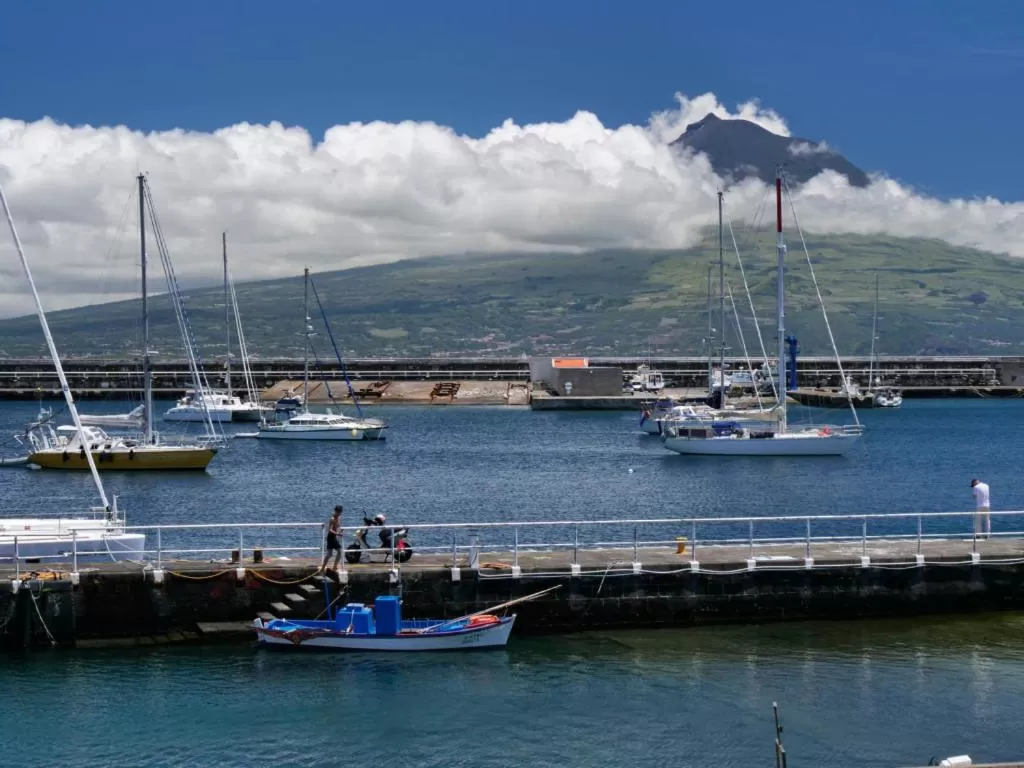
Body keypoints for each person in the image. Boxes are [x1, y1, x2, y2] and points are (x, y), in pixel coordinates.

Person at [316, 505, 343, 575]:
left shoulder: (338, 517)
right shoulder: (332, 518)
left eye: (340, 512)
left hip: (333, 537)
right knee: (337, 552)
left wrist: (340, 530)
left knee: (330, 554)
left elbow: (338, 525)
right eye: (339, 512)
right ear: (336, 511)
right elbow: (330, 530)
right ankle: (331, 567)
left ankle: (327, 568)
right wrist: (338, 533)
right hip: (331, 537)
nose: (340, 513)